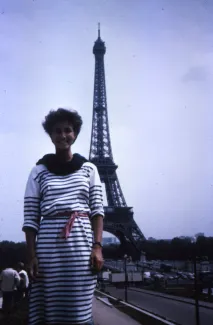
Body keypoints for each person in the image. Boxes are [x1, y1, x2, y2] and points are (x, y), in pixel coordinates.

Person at [22, 108, 104, 325]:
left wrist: (97, 246)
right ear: (51, 135)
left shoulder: (89, 169)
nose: (62, 135)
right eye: (57, 131)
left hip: (80, 248)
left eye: (67, 130)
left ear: (75, 134)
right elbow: (30, 218)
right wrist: (31, 256)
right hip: (48, 250)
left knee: (78, 310)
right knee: (48, 308)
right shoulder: (38, 171)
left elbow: (97, 211)